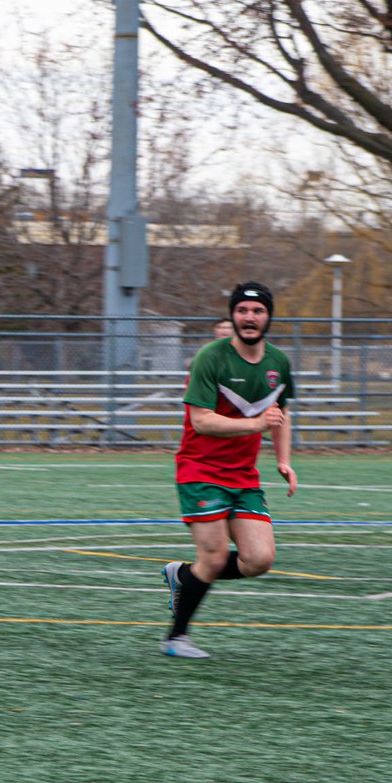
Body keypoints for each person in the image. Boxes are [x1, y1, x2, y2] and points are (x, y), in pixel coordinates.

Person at [158, 282, 297, 660]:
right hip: (199, 469)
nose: (249, 318)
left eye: (258, 311)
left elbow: (278, 414)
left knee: (259, 560)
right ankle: (176, 637)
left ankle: (184, 577)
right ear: (233, 315)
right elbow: (201, 421)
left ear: (268, 316)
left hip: (243, 474)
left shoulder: (278, 363)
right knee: (216, 557)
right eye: (242, 311)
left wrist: (283, 460)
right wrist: (255, 427)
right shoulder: (211, 357)